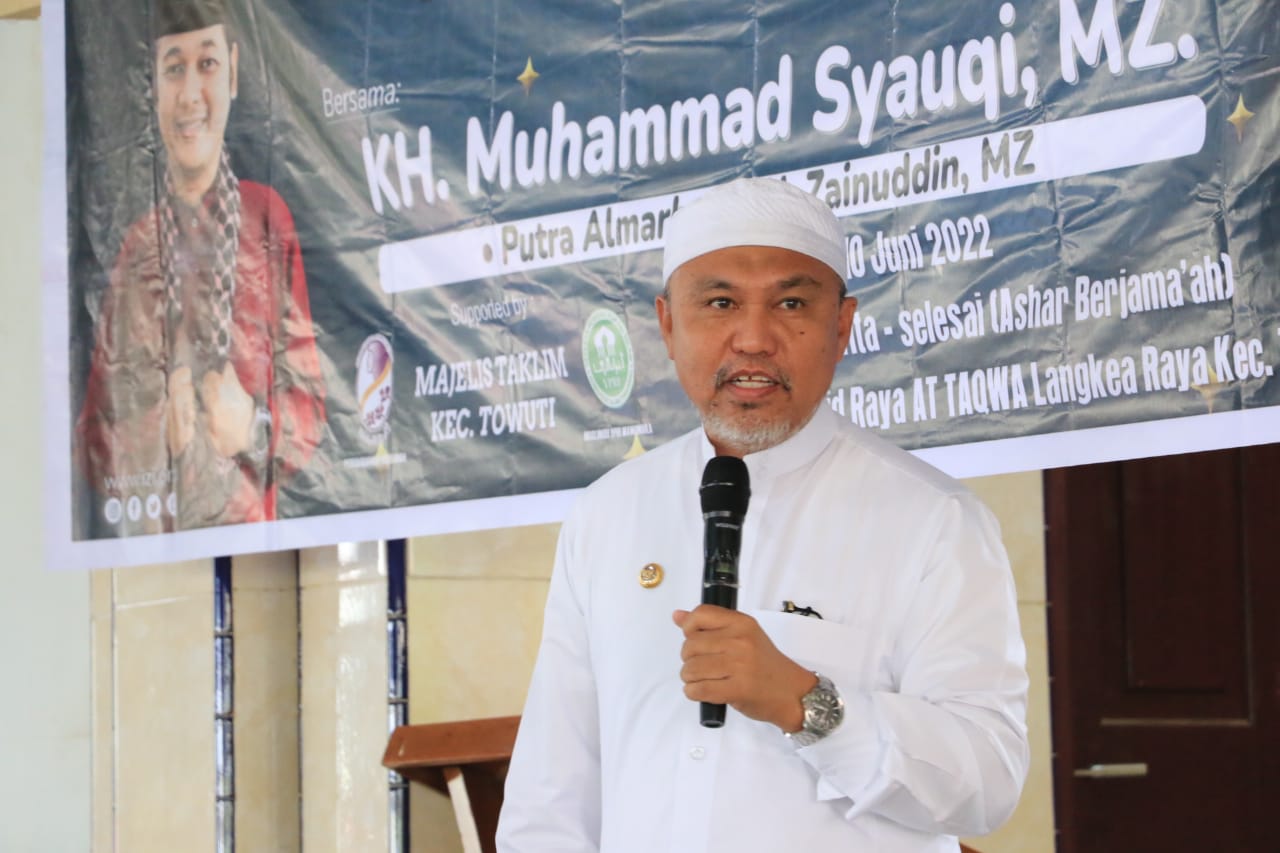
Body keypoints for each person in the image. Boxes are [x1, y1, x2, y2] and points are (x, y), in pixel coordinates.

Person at [496, 178, 1029, 851]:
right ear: (668, 324)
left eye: (791, 303)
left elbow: (988, 779)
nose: (753, 339)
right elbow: (552, 792)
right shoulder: (609, 512)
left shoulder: (935, 520)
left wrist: (806, 703)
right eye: (720, 303)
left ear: (841, 326)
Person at [75, 0, 325, 535]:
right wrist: (155, 435)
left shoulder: (265, 219)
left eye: (206, 64)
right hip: (161, 549)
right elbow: (93, 439)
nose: (190, 95)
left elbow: (310, 408)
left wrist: (252, 426)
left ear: (232, 73)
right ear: (153, 89)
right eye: (174, 69)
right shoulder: (137, 246)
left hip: (259, 541)